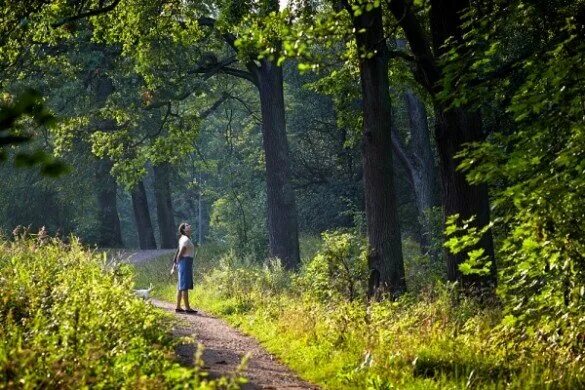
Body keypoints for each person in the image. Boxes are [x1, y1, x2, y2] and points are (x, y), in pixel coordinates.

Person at [172, 222, 198, 314]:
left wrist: (176, 264)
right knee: (184, 286)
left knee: (181, 286)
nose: (189, 226)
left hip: (184, 262)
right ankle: (187, 308)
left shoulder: (184, 238)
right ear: (183, 229)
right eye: (187, 225)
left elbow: (179, 251)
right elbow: (181, 251)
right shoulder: (185, 239)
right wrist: (177, 263)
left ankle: (178, 307)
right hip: (185, 262)